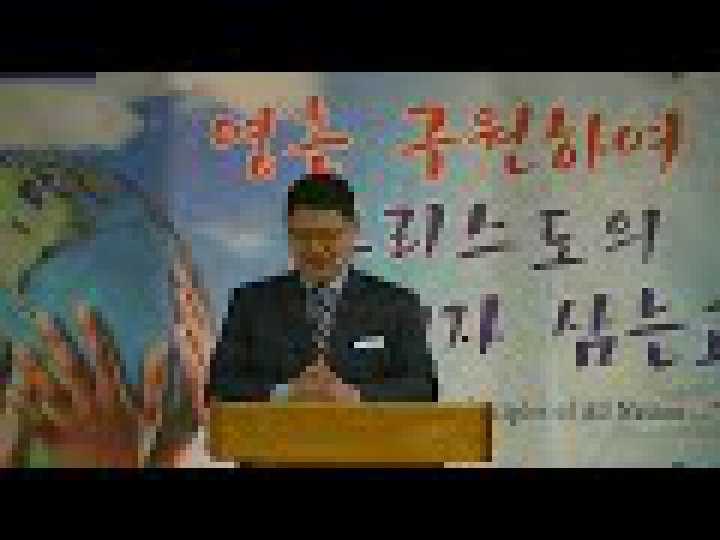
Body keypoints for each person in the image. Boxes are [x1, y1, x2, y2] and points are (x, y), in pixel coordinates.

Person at [208, 173, 437, 405]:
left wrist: (355, 396)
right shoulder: (251, 302)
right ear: (289, 233)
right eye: (303, 236)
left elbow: (424, 387)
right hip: (276, 428)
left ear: (354, 230)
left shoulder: (396, 304)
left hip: (363, 428)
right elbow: (219, 384)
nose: (316, 248)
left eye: (328, 235)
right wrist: (286, 393)